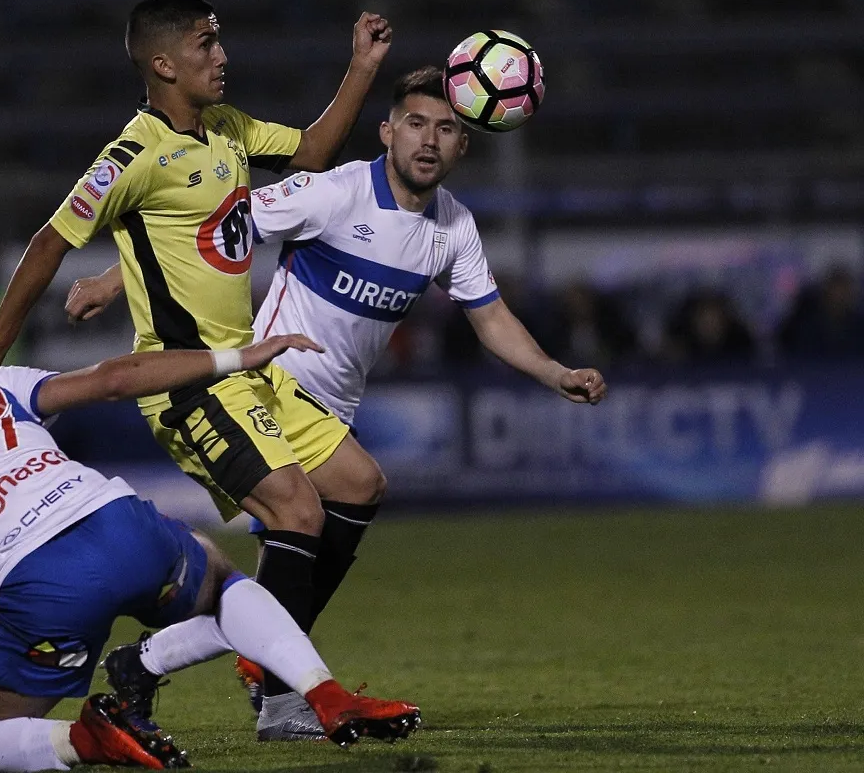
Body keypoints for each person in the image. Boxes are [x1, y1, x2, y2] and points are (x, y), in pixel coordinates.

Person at [68, 66, 608, 730]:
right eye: (415, 123)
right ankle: (280, 692)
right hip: (264, 388)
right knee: (330, 510)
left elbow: (490, 317)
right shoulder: (333, 192)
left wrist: (555, 373)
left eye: (445, 129)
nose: (428, 140)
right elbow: (217, 227)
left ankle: (164, 663)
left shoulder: (453, 228)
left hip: (328, 412)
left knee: (323, 535)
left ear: (463, 145)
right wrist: (112, 279)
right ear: (387, 132)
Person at [0, 0, 395, 739]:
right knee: (298, 512)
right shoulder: (133, 155)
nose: (221, 57)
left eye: (218, 42)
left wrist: (360, 67)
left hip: (250, 367)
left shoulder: (227, 129)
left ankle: (187, 659)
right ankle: (283, 701)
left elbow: (312, 152)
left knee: (359, 484)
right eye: (204, 45)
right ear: (163, 64)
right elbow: (51, 240)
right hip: (188, 383)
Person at [0, 320, 420, 772]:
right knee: (225, 584)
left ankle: (87, 738)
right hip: (119, 524)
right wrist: (237, 357)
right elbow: (113, 378)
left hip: (41, 588)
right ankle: (321, 692)